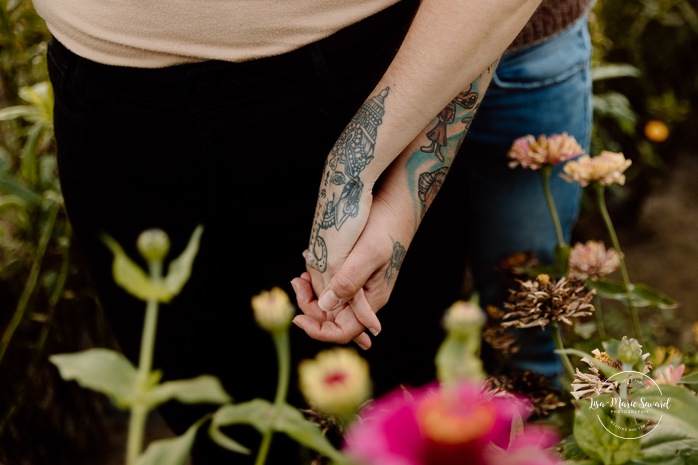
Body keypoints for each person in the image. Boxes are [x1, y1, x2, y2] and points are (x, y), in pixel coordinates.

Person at [33, 0, 590, 463]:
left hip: (352, 85)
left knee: (388, 427)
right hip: (105, 105)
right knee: (211, 430)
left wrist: (375, 178)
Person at [293, 0, 594, 388]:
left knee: (529, 306)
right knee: (416, 302)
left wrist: (360, 181)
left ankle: (534, 429)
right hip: (381, 63)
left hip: (522, 51)